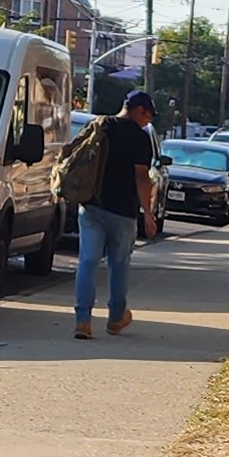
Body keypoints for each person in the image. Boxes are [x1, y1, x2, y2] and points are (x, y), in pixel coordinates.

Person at [74, 88, 156, 339]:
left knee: (87, 261)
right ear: (139, 110)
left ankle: (83, 321)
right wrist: (148, 213)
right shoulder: (140, 138)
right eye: (148, 115)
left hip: (91, 206)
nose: (148, 121)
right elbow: (141, 176)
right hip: (123, 212)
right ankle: (116, 317)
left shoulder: (100, 124)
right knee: (118, 264)